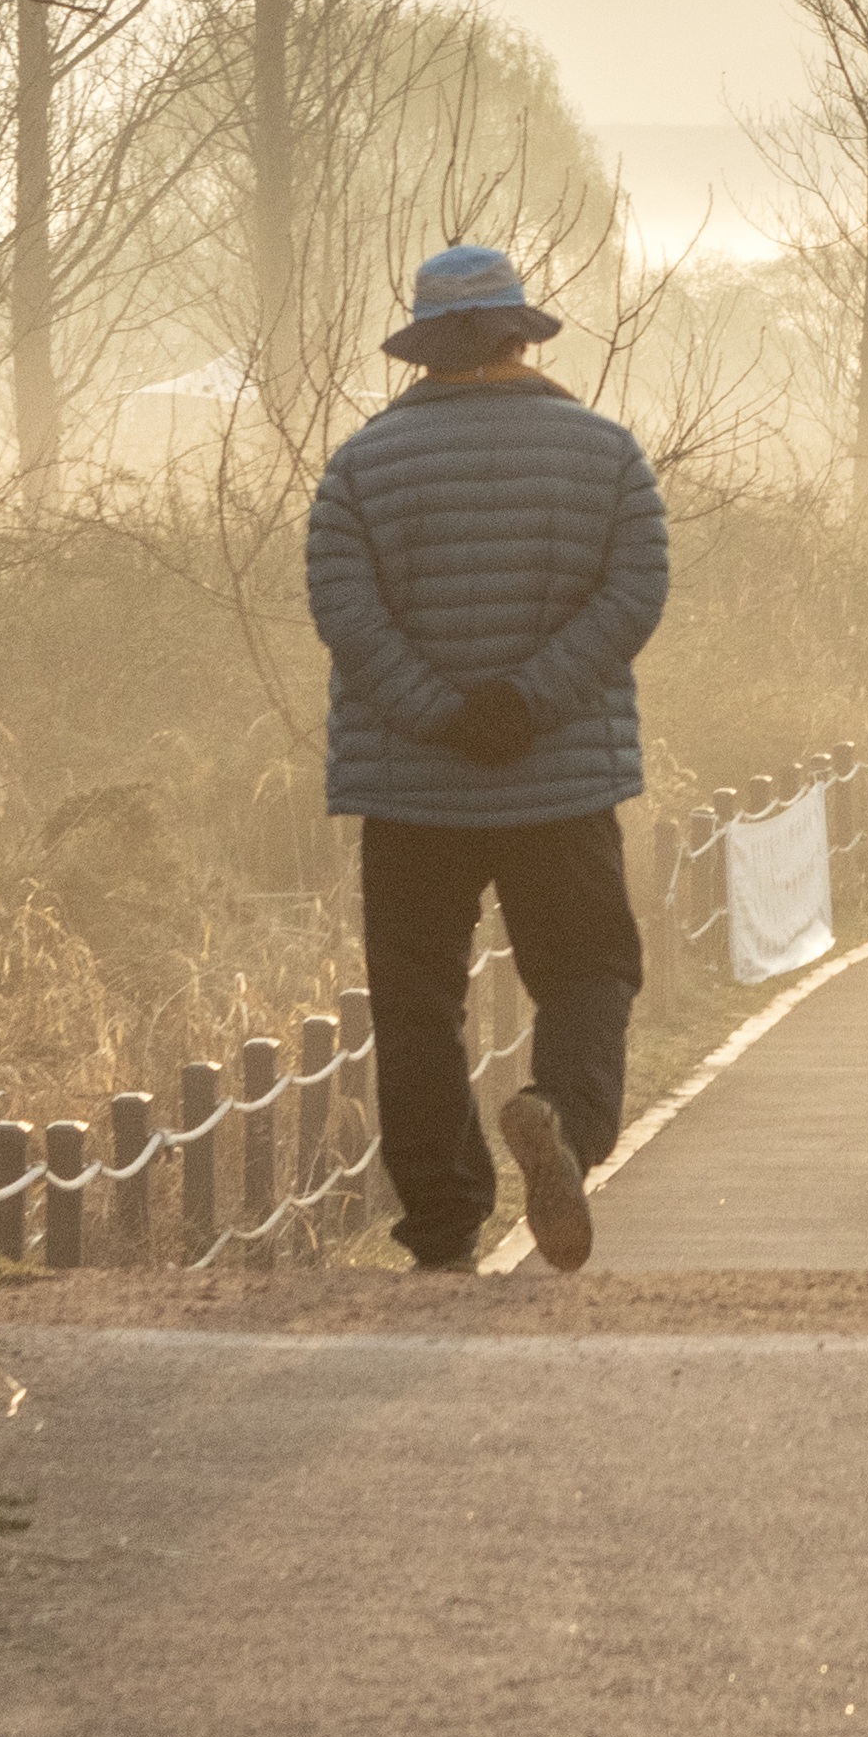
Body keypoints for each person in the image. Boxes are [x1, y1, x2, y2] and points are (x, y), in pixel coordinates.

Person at [306, 241, 664, 1271]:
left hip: (412, 786)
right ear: (520, 331)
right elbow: (633, 593)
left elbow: (345, 611)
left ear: (426, 348)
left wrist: (442, 713)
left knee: (418, 1002)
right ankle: (560, 1117)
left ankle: (444, 1220)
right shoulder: (607, 455)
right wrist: (530, 701)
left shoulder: (359, 469)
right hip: (562, 778)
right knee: (591, 968)